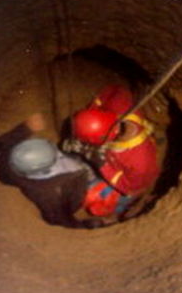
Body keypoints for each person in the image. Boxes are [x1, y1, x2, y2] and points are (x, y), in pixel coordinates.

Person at [0, 114, 106, 228]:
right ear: (48, 168)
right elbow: (58, 220)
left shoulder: (10, 163)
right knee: (100, 183)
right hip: (72, 195)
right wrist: (86, 225)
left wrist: (26, 128)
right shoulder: (49, 194)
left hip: (63, 179)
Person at [67, 84, 160, 217]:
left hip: (129, 184)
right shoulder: (118, 105)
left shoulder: (141, 161)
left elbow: (130, 187)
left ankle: (127, 208)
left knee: (90, 198)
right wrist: (93, 112)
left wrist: (102, 165)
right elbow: (116, 89)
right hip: (110, 154)